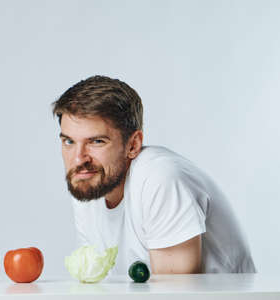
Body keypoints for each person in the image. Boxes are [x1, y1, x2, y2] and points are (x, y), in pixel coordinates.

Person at [51, 75, 256, 274]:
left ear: (133, 144)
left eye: (96, 142)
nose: (79, 159)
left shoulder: (159, 177)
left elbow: (175, 294)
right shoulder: (89, 184)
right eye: (69, 141)